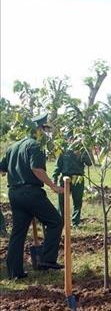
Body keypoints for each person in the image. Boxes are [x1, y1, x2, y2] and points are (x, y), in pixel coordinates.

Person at [0, 114, 64, 278]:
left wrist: (14, 170)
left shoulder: (13, 147)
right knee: (55, 221)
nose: (46, 133)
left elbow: (2, 168)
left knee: (18, 232)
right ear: (38, 129)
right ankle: (47, 259)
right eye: (45, 129)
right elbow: (37, 169)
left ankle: (15, 272)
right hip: (31, 193)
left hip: (14, 193)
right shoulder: (35, 146)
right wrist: (53, 186)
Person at [52, 131, 92, 227]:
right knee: (61, 201)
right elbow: (58, 166)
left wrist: (85, 153)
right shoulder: (63, 151)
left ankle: (75, 222)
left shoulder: (82, 150)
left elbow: (89, 163)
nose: (75, 141)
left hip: (78, 178)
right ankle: (61, 221)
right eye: (72, 139)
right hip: (65, 177)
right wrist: (54, 179)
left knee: (77, 201)